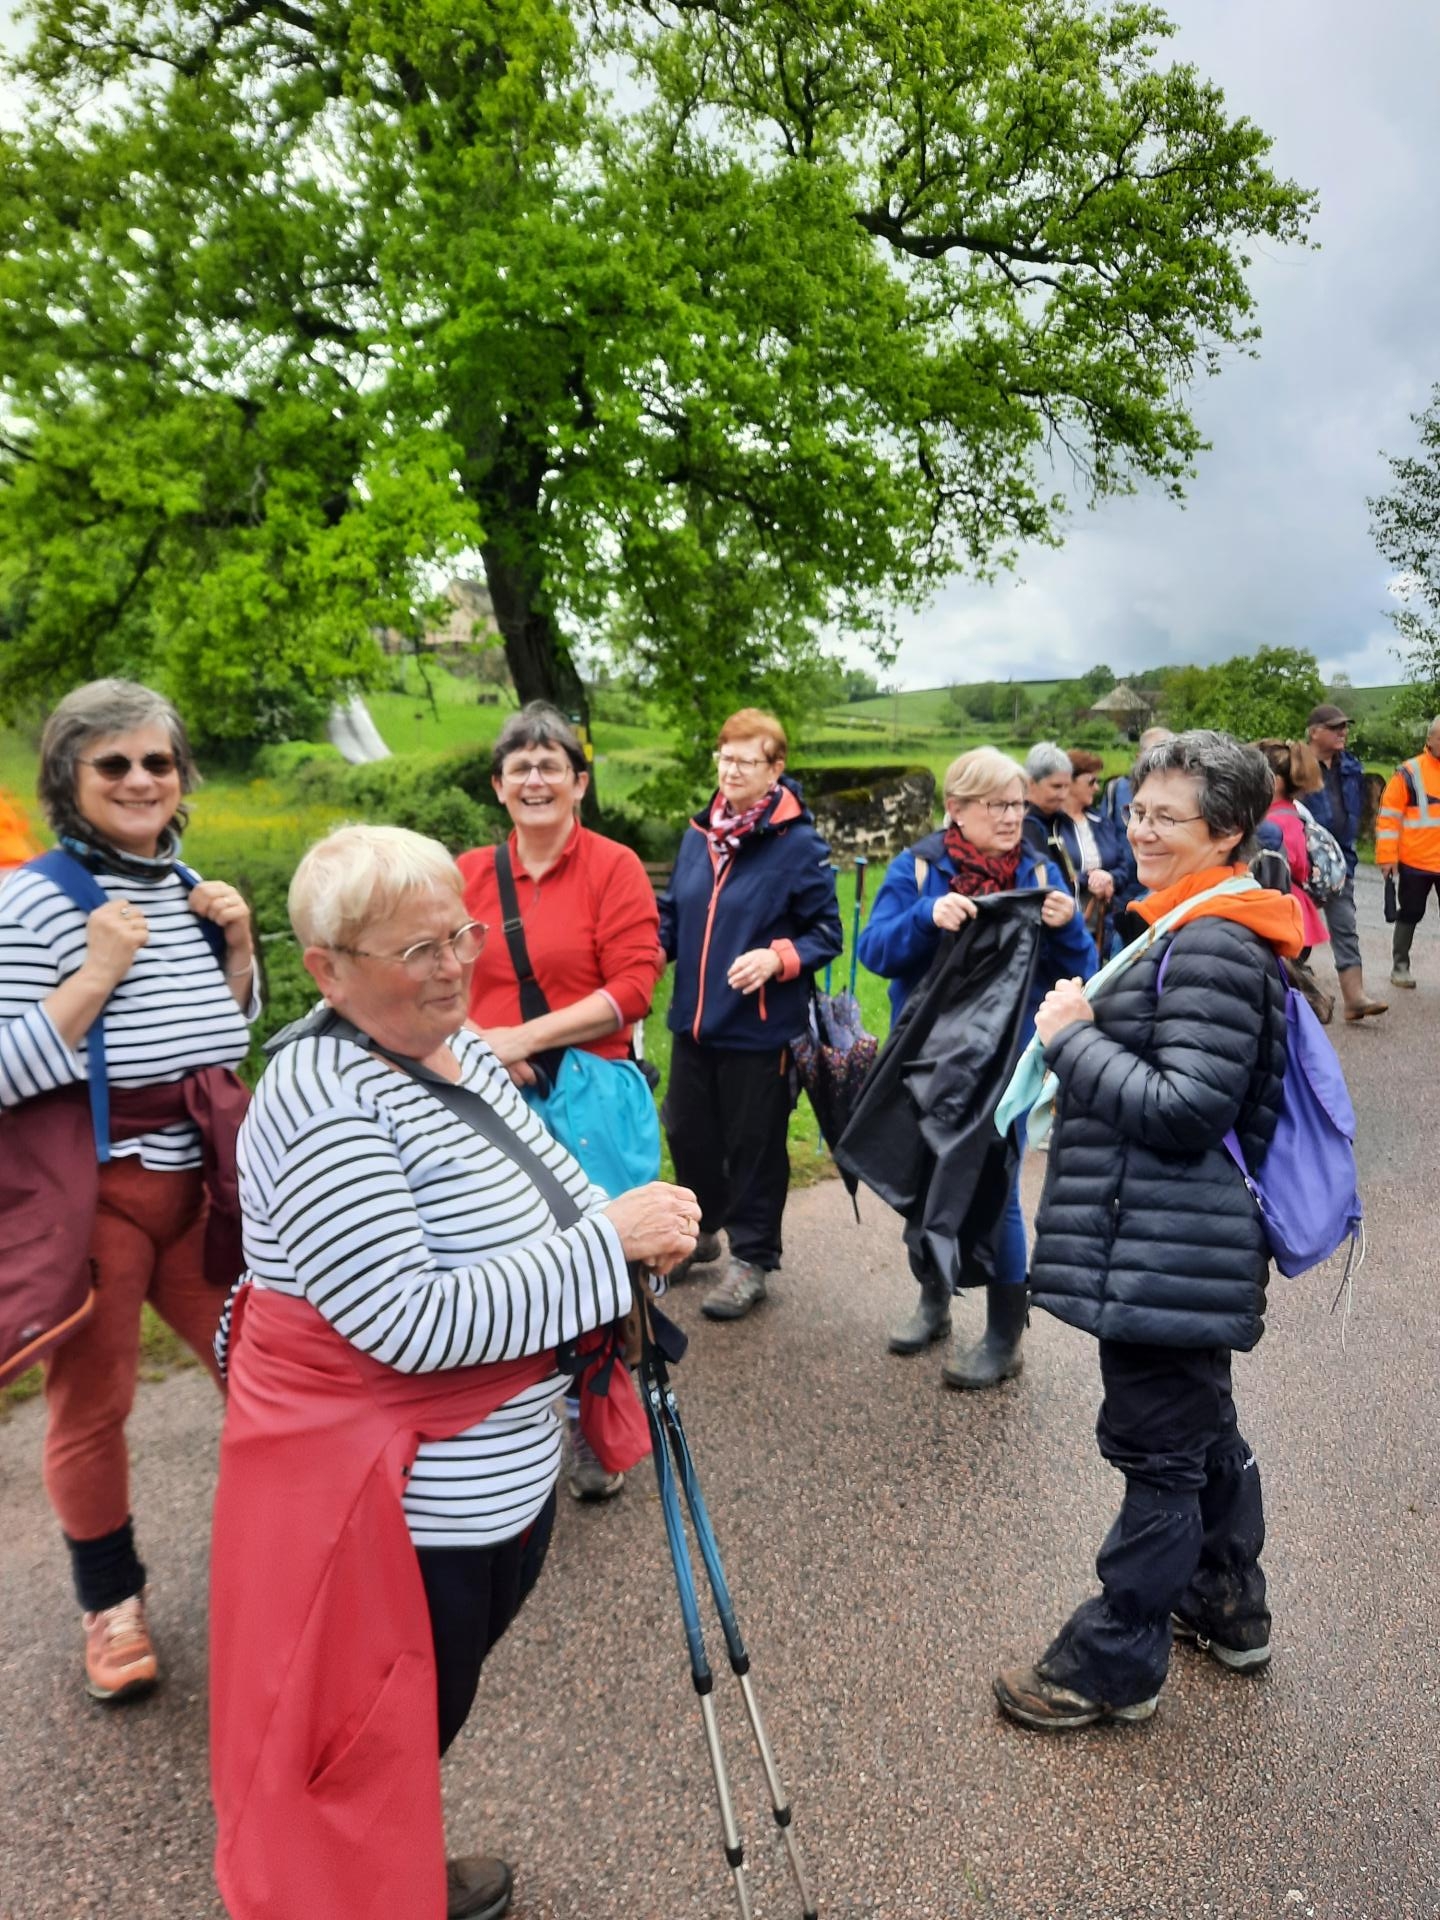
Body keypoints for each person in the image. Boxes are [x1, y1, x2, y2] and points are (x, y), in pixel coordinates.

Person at [210, 824, 699, 1920]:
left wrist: (609, 1244)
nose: (452, 964)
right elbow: (408, 1323)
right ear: (327, 969)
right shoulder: (319, 1098)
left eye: (459, 934)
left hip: (500, 1462)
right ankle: (357, 1891)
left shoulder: (452, 1039)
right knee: (376, 1723)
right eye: (416, 950)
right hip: (405, 1504)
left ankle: (387, 1869)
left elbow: (545, 1184)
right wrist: (605, 1249)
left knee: (421, 1706)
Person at [992, 730, 1303, 1732]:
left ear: (1226, 830)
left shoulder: (1209, 941)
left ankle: (1114, 1660)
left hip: (1164, 1251)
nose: (1141, 830)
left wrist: (1072, 1039)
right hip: (1174, 1249)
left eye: (1168, 817)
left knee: (1158, 1453)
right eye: (1137, 811)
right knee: (1196, 1427)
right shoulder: (1193, 922)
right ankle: (1227, 1605)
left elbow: (1183, 1108)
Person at [0, 678, 257, 1702]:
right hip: (97, 1194)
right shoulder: (30, 898)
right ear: (71, 778)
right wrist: (95, 972)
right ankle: (110, 1606)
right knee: (94, 1402)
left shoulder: (191, 887)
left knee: (264, 1375)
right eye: (114, 764)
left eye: (157, 761)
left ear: (183, 777)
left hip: (201, 1186)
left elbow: (228, 1041)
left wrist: (237, 950)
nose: (140, 779)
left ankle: (278, 1567)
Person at [457, 702, 665, 1500]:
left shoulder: (613, 868)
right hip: (483, 1092)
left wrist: (523, 1039)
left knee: (597, 1257)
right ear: (499, 787)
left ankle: (594, 1418)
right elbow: (431, 974)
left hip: (589, 1094)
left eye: (552, 765)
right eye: (521, 767)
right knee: (497, 1255)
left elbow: (634, 988)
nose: (536, 778)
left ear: (579, 783)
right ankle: (510, 1414)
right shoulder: (465, 874)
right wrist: (477, 1048)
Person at [857, 746, 1095, 1386]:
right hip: (925, 1063)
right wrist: (924, 918)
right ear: (955, 810)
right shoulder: (918, 869)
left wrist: (1069, 926)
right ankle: (935, 1303)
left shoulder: (1040, 870)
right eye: (998, 805)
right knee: (923, 1182)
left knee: (996, 1198)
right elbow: (874, 951)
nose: (1014, 816)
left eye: (1019, 803)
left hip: (1003, 1070)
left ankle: (1002, 1336)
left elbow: (1085, 976)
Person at [659, 708, 843, 1323]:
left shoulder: (799, 845)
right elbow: (673, 913)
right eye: (724, 757)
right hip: (694, 1022)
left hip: (761, 1030)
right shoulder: (698, 834)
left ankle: (753, 1258)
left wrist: (776, 956)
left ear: (776, 768)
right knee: (686, 1130)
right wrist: (648, 951)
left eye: (745, 760)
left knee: (753, 1145)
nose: (730, 770)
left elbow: (827, 932)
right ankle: (702, 1230)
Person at [1305, 703, 1387, 1020]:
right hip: (1304, 858)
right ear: (1315, 732)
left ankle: (1355, 999)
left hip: (1341, 858)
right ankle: (1290, 996)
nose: (1343, 732)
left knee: (1345, 927)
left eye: (1344, 727)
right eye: (1335, 727)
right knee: (1296, 929)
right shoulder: (1297, 765)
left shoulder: (1350, 765)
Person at [1377, 714, 1440, 991]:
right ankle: (1400, 966)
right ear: (1430, 739)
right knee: (1410, 913)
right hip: (1416, 861)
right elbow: (1389, 817)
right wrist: (1387, 857)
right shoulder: (1409, 772)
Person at [1254, 738, 1330, 955]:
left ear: (1275, 783)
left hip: (1285, 917)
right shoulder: (1288, 813)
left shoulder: (1277, 822)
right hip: (1295, 913)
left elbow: (1282, 869)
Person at [1062, 749, 1130, 953]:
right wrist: (1089, 880)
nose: (1097, 788)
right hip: (1067, 924)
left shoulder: (1101, 822)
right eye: (1091, 782)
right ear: (1070, 782)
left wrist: (1109, 878)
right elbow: (1051, 870)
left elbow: (1123, 866)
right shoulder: (1052, 826)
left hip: (1102, 924)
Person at [1021, 742, 1077, 892]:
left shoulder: (1060, 821)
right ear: (1031, 783)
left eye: (1067, 787)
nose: (1064, 795)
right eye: (1056, 787)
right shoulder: (1023, 825)